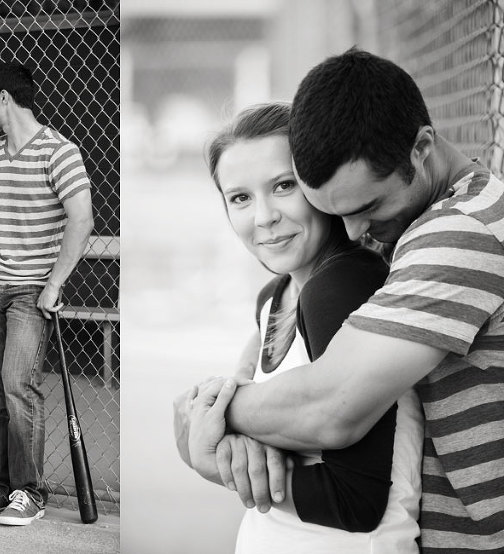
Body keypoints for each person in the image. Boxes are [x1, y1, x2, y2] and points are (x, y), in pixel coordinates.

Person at [193, 48, 504, 553]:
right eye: (240, 197)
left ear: (421, 148)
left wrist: (208, 420)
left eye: (369, 206)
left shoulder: (458, 233)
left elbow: (332, 409)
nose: (357, 231)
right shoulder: (300, 285)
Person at [176, 103, 423, 552]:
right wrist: (226, 444)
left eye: (284, 186)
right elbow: (226, 420)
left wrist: (223, 465)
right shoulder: (275, 296)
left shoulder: (342, 284)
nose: (264, 216)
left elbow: (356, 500)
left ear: (319, 184)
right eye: (240, 198)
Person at [0, 62, 93, 526]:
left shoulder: (60, 152)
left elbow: (82, 219)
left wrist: (54, 284)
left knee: (18, 386)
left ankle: (29, 492)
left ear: (5, 99)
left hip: (32, 291)